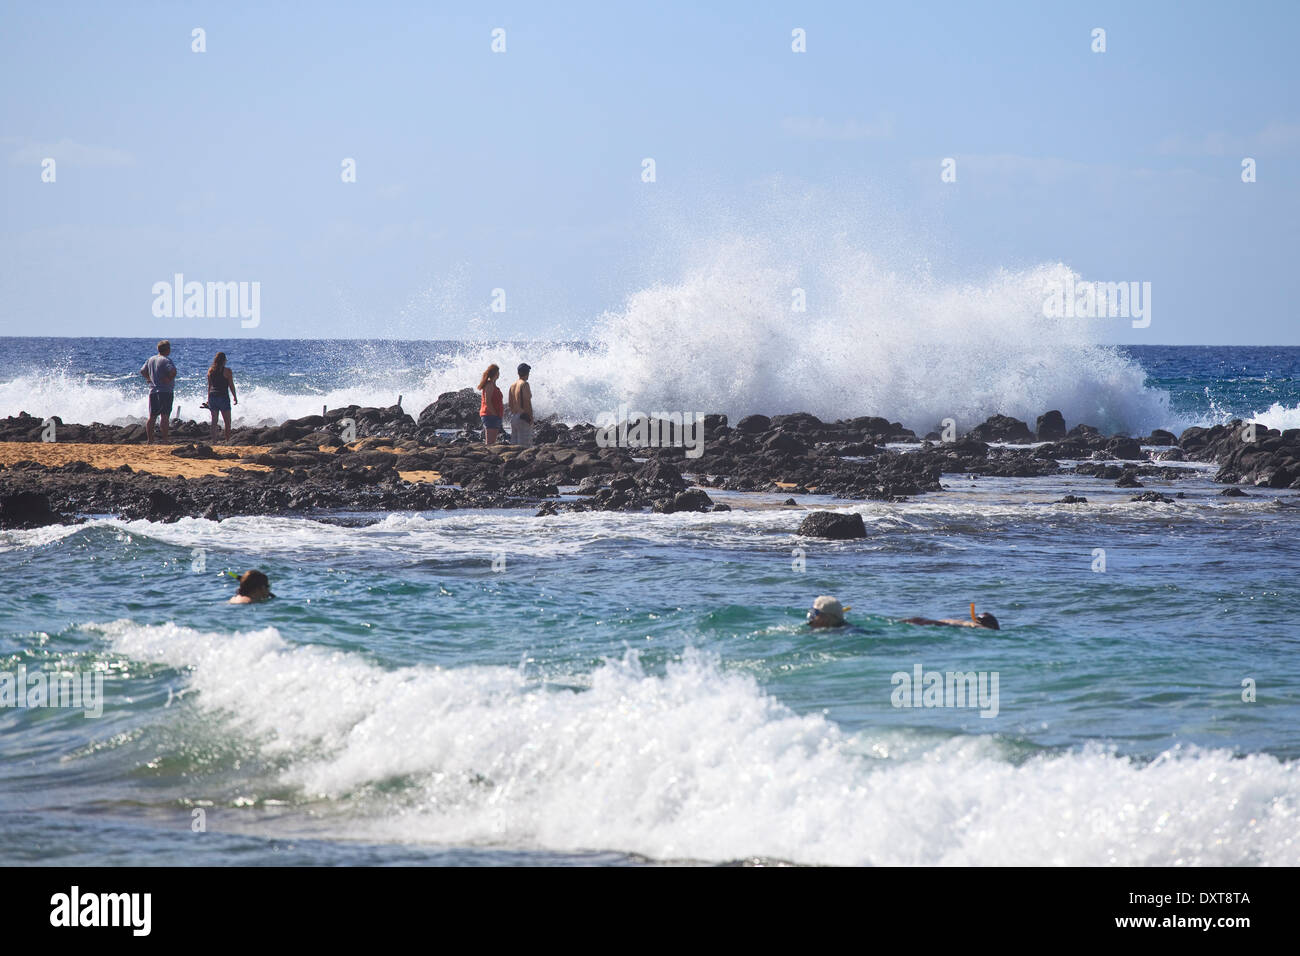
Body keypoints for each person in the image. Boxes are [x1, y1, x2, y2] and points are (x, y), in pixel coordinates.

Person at [139, 340, 177, 443]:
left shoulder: (151, 359)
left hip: (153, 391)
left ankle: (150, 440)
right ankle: (165, 440)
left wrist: (149, 378)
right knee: (165, 416)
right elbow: (173, 371)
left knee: (152, 417)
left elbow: (142, 371)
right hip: (165, 391)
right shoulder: (166, 360)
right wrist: (169, 379)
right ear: (167, 350)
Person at [205, 351, 238, 443]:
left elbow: (209, 386)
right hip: (223, 397)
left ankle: (214, 441)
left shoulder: (210, 370)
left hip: (212, 397)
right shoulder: (227, 371)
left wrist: (208, 399)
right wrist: (235, 397)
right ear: (224, 361)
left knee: (214, 422)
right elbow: (231, 385)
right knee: (227, 422)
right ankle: (227, 441)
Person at [901, 604, 1000, 630]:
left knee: (917, 620)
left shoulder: (970, 623)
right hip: (946, 625)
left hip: (945, 622)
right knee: (919, 621)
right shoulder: (982, 628)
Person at [507, 362, 534, 448]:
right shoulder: (524, 384)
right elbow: (527, 402)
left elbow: (510, 404)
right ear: (527, 373)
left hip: (514, 417)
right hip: (523, 417)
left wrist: (516, 414)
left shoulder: (512, 386)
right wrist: (530, 417)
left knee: (514, 448)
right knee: (524, 448)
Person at [477, 363, 504, 444]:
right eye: (498, 372)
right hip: (490, 415)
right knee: (490, 442)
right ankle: (488, 455)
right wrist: (495, 413)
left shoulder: (493, 385)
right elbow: (487, 401)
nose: (499, 374)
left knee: (492, 441)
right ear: (495, 373)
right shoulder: (489, 385)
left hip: (493, 416)